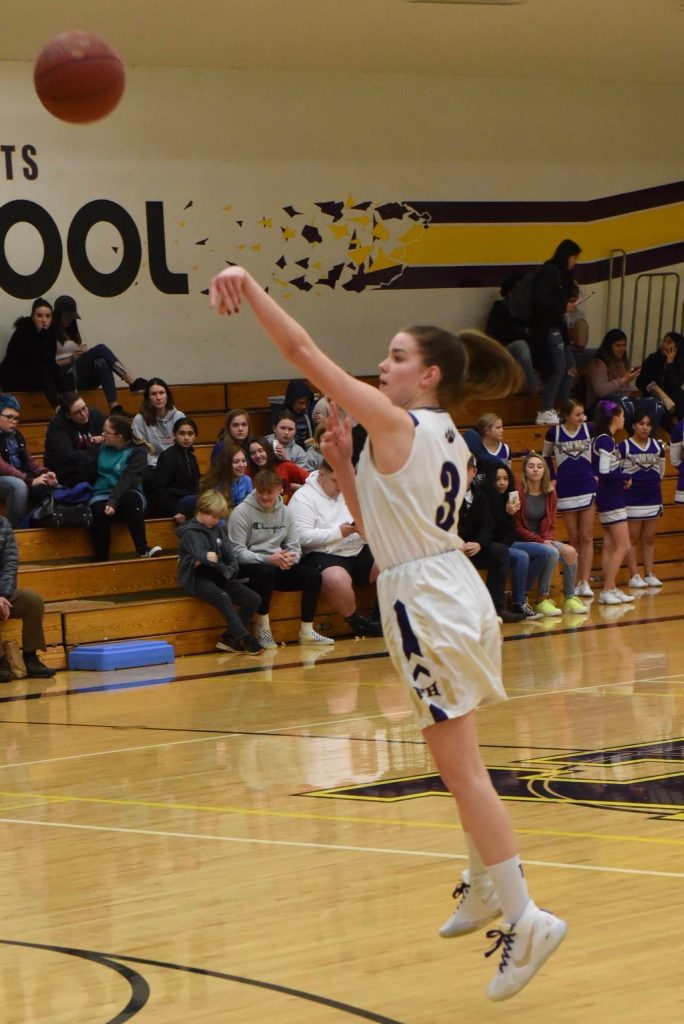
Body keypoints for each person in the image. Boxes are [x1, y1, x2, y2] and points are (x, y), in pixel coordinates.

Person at [210, 265, 566, 1001]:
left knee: (461, 768)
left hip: (427, 602)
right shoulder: (447, 438)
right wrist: (340, 463)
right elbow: (381, 536)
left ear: (429, 375)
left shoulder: (399, 422)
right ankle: (483, 882)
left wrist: (250, 286)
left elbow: (304, 352)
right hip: (441, 588)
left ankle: (526, 915)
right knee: (458, 759)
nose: (384, 363)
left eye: (398, 356)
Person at [227, 468, 334, 649]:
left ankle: (307, 630)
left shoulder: (286, 512)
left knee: (313, 576)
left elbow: (295, 547)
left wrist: (290, 558)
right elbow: (237, 553)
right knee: (265, 571)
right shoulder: (241, 513)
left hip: (277, 564)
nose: (265, 497)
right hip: (250, 567)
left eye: (270, 492)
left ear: (280, 490)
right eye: (261, 492)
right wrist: (269, 559)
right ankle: (262, 626)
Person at [288, 461, 383, 637]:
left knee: (392, 562)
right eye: (335, 480)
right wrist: (337, 532)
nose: (340, 486)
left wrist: (366, 531)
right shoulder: (303, 497)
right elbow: (300, 537)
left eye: (343, 480)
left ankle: (380, 618)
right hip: (323, 552)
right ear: (321, 475)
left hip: (357, 546)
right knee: (337, 579)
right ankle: (358, 623)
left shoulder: (349, 491)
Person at [177, 489, 263, 655]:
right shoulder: (189, 532)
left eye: (219, 517)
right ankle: (245, 638)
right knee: (222, 597)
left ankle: (230, 638)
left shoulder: (216, 529)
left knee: (253, 598)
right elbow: (199, 553)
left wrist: (230, 570)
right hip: (197, 579)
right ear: (203, 511)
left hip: (218, 575)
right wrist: (204, 557)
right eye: (214, 517)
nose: (217, 521)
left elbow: (229, 554)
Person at [516, 453, 587, 615]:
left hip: (542, 538)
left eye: (539, 467)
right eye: (531, 466)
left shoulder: (550, 493)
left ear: (544, 471)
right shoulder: (518, 493)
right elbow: (517, 527)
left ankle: (570, 597)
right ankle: (542, 599)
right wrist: (540, 541)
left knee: (570, 552)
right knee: (551, 552)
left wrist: (547, 539)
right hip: (522, 539)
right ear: (525, 470)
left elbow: (551, 523)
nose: (535, 470)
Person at [483, 464, 557, 619]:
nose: (502, 483)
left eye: (505, 478)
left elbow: (512, 529)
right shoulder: (485, 498)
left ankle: (522, 594)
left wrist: (511, 514)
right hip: (494, 544)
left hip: (509, 541)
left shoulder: (511, 496)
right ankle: (519, 603)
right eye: (497, 479)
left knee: (546, 552)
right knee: (522, 556)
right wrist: (506, 513)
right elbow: (491, 531)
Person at [52, 295, 148, 412]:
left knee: (102, 362)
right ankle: (132, 382)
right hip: (65, 378)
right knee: (100, 348)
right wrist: (72, 358)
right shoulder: (50, 333)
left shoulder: (71, 332)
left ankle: (114, 406)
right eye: (66, 316)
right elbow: (52, 364)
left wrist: (80, 352)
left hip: (81, 376)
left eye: (71, 317)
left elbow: (75, 356)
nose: (69, 320)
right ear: (58, 315)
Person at [457, 455, 523, 624]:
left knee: (499, 552)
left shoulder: (480, 495)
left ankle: (496, 609)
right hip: (452, 550)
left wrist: (479, 543)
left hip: (475, 548)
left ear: (474, 472)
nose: (463, 473)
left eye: (467, 469)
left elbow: (487, 526)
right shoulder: (444, 496)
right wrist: (457, 544)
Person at [542, 399, 596, 598]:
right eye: (577, 414)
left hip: (587, 486)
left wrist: (596, 473)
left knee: (587, 535)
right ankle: (573, 580)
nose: (582, 418)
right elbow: (546, 456)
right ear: (565, 416)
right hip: (566, 488)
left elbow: (599, 452)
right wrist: (553, 478)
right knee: (574, 537)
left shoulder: (589, 430)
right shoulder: (553, 433)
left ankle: (585, 581)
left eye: (583, 414)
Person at [90, 414, 162, 561]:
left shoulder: (138, 449)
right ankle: (101, 559)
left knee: (130, 498)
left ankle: (142, 549)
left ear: (119, 436)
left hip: (128, 491)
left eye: (106, 432)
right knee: (98, 509)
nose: (102, 434)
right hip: (102, 491)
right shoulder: (101, 446)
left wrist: (113, 500)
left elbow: (128, 477)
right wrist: (92, 445)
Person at [530, 239, 581, 426]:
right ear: (567, 256)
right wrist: (563, 306)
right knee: (559, 368)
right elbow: (541, 300)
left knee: (569, 367)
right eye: (574, 257)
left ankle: (566, 409)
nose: (575, 262)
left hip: (559, 327)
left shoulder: (563, 275)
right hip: (548, 328)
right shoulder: (550, 271)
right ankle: (545, 408)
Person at [0, 515, 56, 681]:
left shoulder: (3, 523)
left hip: (3, 592)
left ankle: (31, 657)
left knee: (32, 601)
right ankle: (1, 661)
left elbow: (10, 564)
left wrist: (3, 595)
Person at [591, 400, 635, 605]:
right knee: (624, 545)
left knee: (610, 544)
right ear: (615, 417)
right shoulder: (606, 440)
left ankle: (611, 587)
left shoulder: (603, 439)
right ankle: (607, 589)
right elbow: (604, 471)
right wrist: (624, 476)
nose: (624, 419)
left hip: (608, 493)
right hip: (610, 496)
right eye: (623, 415)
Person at [619, 412, 665, 588]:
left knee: (649, 538)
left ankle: (649, 573)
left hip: (653, 497)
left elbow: (661, 471)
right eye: (641, 424)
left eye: (648, 424)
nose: (645, 427)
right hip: (632, 499)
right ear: (633, 426)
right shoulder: (624, 446)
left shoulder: (657, 446)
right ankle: (634, 575)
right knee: (633, 538)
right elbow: (618, 471)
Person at [0, 394, 58, 528]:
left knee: (48, 483)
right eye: (9, 417)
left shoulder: (17, 435)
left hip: (20, 476)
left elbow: (29, 462)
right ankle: (14, 530)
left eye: (16, 418)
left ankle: (37, 522)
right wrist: (29, 480)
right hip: (5, 477)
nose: (14, 421)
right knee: (19, 486)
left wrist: (44, 472)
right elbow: (2, 467)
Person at [586, 329, 663, 429]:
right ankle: (630, 439)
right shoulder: (599, 363)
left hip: (624, 399)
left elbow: (625, 389)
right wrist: (624, 380)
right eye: (618, 346)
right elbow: (600, 391)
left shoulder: (621, 361)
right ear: (609, 346)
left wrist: (631, 375)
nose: (622, 348)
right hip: (601, 404)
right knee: (626, 404)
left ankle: (646, 439)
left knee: (656, 404)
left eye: (624, 345)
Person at [0, 298, 62, 408]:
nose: (44, 320)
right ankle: (59, 410)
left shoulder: (51, 335)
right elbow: (31, 361)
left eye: (48, 316)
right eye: (39, 316)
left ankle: (72, 407)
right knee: (42, 373)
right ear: (33, 317)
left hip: (37, 376)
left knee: (59, 375)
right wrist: (41, 336)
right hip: (14, 377)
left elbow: (50, 363)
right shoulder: (22, 333)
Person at [485, 276, 540, 393]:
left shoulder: (528, 310)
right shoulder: (500, 307)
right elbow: (494, 332)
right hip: (504, 348)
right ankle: (533, 383)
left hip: (526, 347)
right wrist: (520, 332)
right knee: (521, 345)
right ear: (510, 293)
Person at [43, 391, 106, 487]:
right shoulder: (57, 424)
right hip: (67, 472)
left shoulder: (96, 416)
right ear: (68, 415)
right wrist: (95, 450)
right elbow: (68, 456)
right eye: (77, 413)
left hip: (94, 466)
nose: (84, 414)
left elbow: (107, 444)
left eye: (84, 408)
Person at [151, 417, 200, 521]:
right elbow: (159, 489)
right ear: (174, 435)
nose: (186, 437)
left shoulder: (192, 457)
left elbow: (195, 484)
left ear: (195, 436)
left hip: (191, 499)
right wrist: (173, 511)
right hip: (174, 503)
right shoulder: (168, 456)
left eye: (190, 434)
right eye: (182, 433)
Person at [131, 378, 185, 472]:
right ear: (148, 398)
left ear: (167, 395)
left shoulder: (179, 416)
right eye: (154, 394)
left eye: (161, 393)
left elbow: (185, 446)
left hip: (176, 465)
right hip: (152, 467)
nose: (159, 397)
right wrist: (161, 464)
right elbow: (139, 453)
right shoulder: (139, 420)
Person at [636, 330, 684, 430]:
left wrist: (669, 364)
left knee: (680, 397)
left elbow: (675, 388)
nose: (664, 344)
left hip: (672, 399)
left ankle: (677, 426)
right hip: (652, 396)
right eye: (664, 341)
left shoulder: (679, 363)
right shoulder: (652, 359)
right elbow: (640, 382)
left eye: (669, 342)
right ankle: (675, 430)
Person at [246, 435, 308, 502]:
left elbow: (311, 480)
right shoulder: (247, 473)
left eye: (261, 451)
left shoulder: (285, 466)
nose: (257, 455)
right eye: (253, 453)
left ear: (268, 450)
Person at [201, 441, 253, 511]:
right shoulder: (216, 483)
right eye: (236, 462)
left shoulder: (247, 480)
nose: (241, 465)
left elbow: (249, 506)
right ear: (226, 464)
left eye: (243, 461)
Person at [463, 412, 511, 484]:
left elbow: (508, 475)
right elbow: (471, 478)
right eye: (498, 427)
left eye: (502, 427)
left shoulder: (506, 449)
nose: (502, 430)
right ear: (487, 431)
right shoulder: (474, 448)